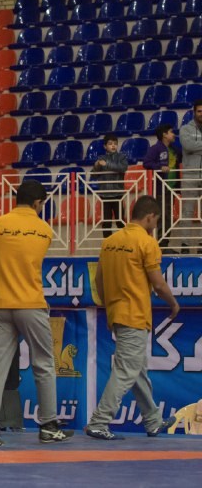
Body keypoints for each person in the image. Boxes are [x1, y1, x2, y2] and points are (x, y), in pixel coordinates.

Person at [0, 180, 72, 448]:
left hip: (0, 305)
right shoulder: (45, 230)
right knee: (44, 364)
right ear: (38, 203)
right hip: (31, 305)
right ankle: (49, 426)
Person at [85, 195, 179, 440]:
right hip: (135, 315)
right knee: (127, 370)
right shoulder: (147, 243)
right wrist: (173, 303)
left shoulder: (110, 242)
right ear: (150, 216)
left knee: (136, 369)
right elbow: (158, 284)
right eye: (156, 221)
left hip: (117, 313)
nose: (155, 226)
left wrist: (109, 306)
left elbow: (99, 280)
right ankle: (99, 422)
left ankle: (153, 420)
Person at [143, 124, 181, 250]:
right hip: (161, 188)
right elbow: (146, 162)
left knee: (168, 216)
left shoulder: (174, 149)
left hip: (171, 188)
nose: (173, 134)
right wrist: (159, 167)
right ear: (164, 134)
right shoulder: (155, 148)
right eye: (171, 132)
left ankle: (164, 245)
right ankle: (160, 245)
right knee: (162, 216)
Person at [92, 133, 129, 239]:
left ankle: (124, 242)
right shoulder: (101, 158)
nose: (113, 146)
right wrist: (96, 166)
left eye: (115, 144)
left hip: (118, 194)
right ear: (105, 146)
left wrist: (106, 164)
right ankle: (107, 243)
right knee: (106, 223)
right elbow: (93, 175)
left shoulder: (121, 157)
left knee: (120, 221)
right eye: (110, 144)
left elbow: (123, 168)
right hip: (105, 195)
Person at [178, 99, 202, 253]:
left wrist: (196, 146)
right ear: (194, 112)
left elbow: (193, 146)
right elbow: (188, 146)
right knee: (187, 211)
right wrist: (193, 146)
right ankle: (185, 244)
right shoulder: (185, 129)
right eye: (199, 111)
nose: (201, 114)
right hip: (190, 175)